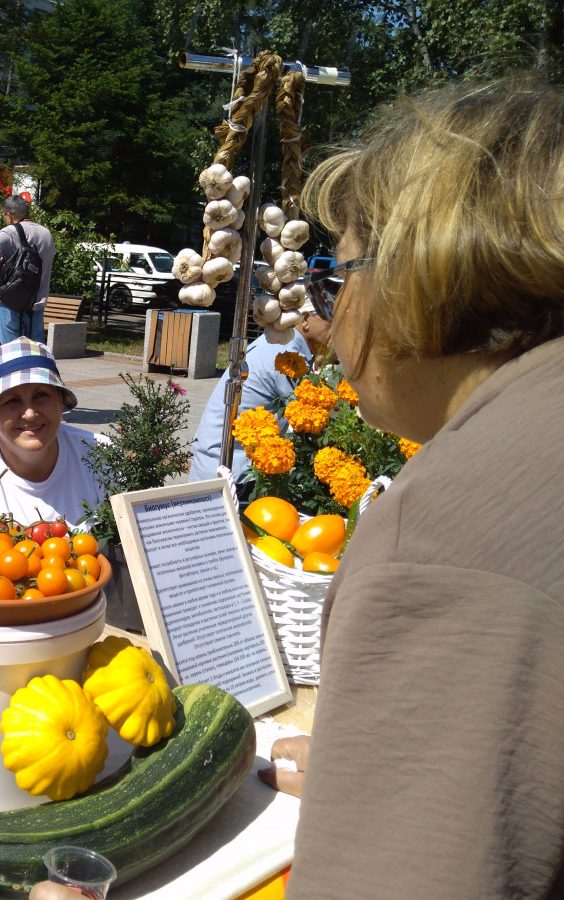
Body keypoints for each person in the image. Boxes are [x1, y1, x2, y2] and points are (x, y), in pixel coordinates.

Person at [256, 77, 564, 897]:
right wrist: (387, 778)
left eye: (339, 270)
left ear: (414, 275)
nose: (334, 303)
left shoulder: (440, 543)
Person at [0, 338, 103, 527]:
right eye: (11, 401)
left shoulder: (101, 455)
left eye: (41, 395)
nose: (29, 413)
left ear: (60, 402)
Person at [188, 309, 331, 485]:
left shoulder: (278, 342)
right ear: (306, 318)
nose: (339, 329)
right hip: (232, 472)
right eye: (331, 320)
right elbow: (313, 420)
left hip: (216, 461)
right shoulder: (287, 354)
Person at [0, 195, 55, 345]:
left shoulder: (10, 232)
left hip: (11, 304)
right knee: (35, 357)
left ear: (9, 215)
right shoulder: (46, 234)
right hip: (36, 306)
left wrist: (0, 271)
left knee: (12, 356)